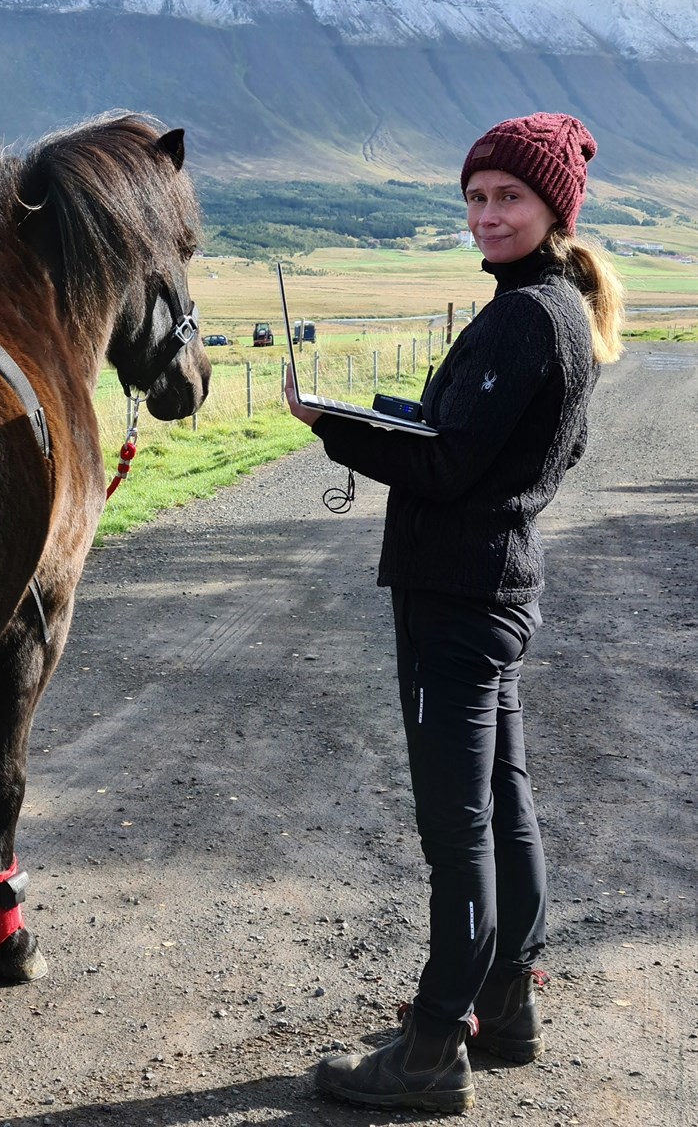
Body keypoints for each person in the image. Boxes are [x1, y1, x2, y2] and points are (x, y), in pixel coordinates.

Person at [286, 112, 624, 1116]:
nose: (485, 213)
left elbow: (445, 462)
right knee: (503, 801)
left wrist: (334, 431)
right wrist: (407, 427)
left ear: (551, 207)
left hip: (457, 601)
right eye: (475, 196)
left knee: (456, 823)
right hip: (497, 587)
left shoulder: (524, 316)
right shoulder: (558, 310)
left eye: (507, 197)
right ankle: (505, 1000)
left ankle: (435, 1043)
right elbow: (517, 452)